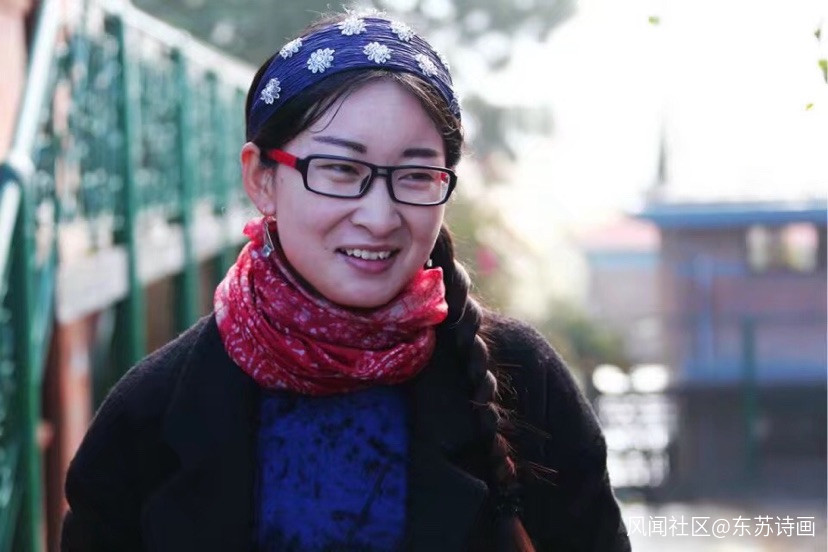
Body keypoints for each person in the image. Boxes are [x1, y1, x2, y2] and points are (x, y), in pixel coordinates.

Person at [62, 10, 630, 552]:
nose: (379, 218)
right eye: (340, 169)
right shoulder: (150, 414)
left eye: (415, 175)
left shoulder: (523, 380)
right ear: (262, 180)